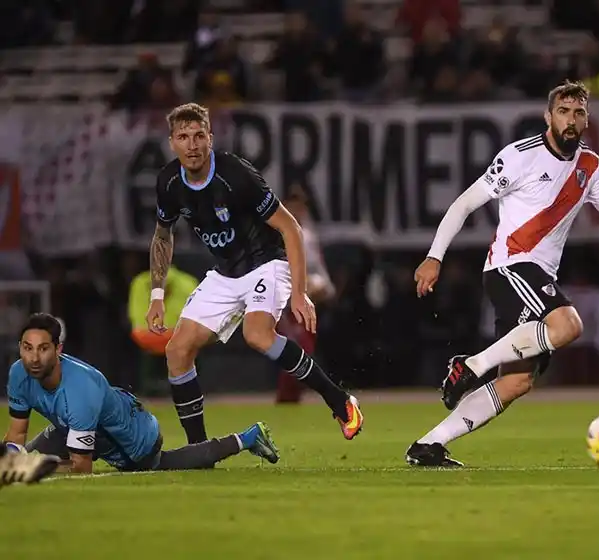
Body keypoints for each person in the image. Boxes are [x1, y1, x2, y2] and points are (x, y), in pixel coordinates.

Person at [406, 80, 599, 467]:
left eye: (578, 113)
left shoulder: (590, 166)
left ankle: (427, 445)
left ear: (587, 120)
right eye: (563, 111)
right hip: (510, 267)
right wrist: (434, 256)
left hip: (538, 274)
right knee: (568, 325)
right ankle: (471, 365)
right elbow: (463, 204)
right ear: (548, 116)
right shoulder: (519, 156)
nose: (571, 120)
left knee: (516, 382)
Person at [147, 103, 363, 444]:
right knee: (177, 351)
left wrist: (299, 292)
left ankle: (339, 400)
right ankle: (199, 449)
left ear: (210, 139)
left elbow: (291, 228)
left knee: (258, 335)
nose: (192, 144)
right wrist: (156, 295)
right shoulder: (169, 182)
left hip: (266, 262)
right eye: (184, 137)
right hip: (225, 273)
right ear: (172, 142)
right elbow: (163, 235)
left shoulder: (235, 173)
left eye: (199, 135)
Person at [3, 313, 280, 475]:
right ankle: (246, 438)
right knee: (18, 458)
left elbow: (81, 467)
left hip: (136, 440)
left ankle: (246, 438)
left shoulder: (80, 392)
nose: (34, 358)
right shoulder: (18, 374)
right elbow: (16, 434)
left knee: (163, 464)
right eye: (27, 348)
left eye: (43, 349)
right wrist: (15, 458)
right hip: (86, 420)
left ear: (58, 350)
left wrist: (34, 467)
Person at [275, 186, 337, 404]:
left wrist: (324, 287)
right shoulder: (275, 232)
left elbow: (317, 269)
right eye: (291, 206)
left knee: (303, 349)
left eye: (299, 207)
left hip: (305, 297)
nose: (296, 211)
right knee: (293, 347)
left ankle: (291, 396)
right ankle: (286, 396)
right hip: (280, 299)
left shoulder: (308, 236)